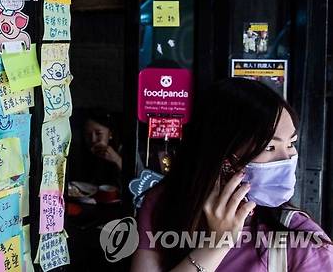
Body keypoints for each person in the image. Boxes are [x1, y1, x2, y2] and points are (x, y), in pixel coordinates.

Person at [131, 78, 333, 271]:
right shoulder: (164, 203)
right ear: (224, 156)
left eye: (291, 143)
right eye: (270, 147)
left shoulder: (304, 241)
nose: (287, 158)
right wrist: (217, 245)